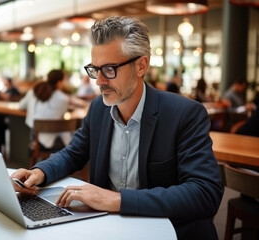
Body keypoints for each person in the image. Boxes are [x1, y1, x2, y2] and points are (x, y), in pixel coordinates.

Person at [11, 16, 223, 240]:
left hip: (167, 231)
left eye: (110, 69)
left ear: (141, 66)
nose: (99, 81)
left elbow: (205, 193)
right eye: (95, 69)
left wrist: (117, 200)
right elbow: (73, 153)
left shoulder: (185, 114)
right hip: (109, 228)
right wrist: (40, 172)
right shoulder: (98, 109)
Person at [18, 69, 70, 151]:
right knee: (68, 136)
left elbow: (21, 106)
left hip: (35, 138)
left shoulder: (33, 91)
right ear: (60, 82)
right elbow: (61, 118)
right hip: (52, 141)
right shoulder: (63, 99)